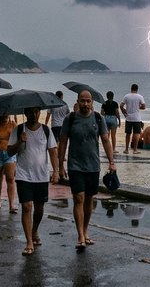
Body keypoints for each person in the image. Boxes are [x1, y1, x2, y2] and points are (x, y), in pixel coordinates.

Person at [59, 90, 116, 252]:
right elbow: (62, 142)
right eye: (82, 101)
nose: (85, 104)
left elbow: (105, 140)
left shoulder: (99, 119)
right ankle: (80, 236)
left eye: (88, 101)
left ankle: (85, 230)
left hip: (93, 166)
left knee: (89, 200)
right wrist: (59, 166)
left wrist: (112, 162)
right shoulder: (70, 119)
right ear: (77, 101)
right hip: (75, 166)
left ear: (92, 103)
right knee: (78, 198)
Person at [7, 107, 59, 256]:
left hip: (41, 176)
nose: (33, 115)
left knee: (39, 208)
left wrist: (56, 171)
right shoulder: (18, 130)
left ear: (39, 112)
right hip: (24, 175)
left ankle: (34, 230)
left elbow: (53, 151)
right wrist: (19, 142)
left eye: (36, 111)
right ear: (25, 113)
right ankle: (29, 241)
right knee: (27, 206)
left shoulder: (46, 130)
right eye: (30, 112)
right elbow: (9, 152)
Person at [120, 84, 146, 154]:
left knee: (128, 134)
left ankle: (126, 149)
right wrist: (138, 107)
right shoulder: (140, 97)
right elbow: (144, 107)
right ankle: (135, 150)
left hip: (128, 118)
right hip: (137, 118)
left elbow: (121, 105)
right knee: (136, 134)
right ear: (137, 89)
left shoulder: (126, 96)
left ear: (131, 89)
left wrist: (124, 112)